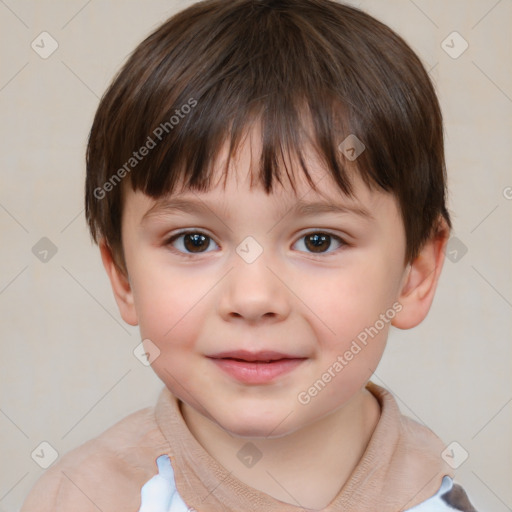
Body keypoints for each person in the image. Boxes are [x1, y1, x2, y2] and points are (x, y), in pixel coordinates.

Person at [20, 0, 478, 510]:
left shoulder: (437, 491)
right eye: (194, 241)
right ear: (123, 276)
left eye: (318, 240)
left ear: (416, 273)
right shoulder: (83, 499)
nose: (253, 298)